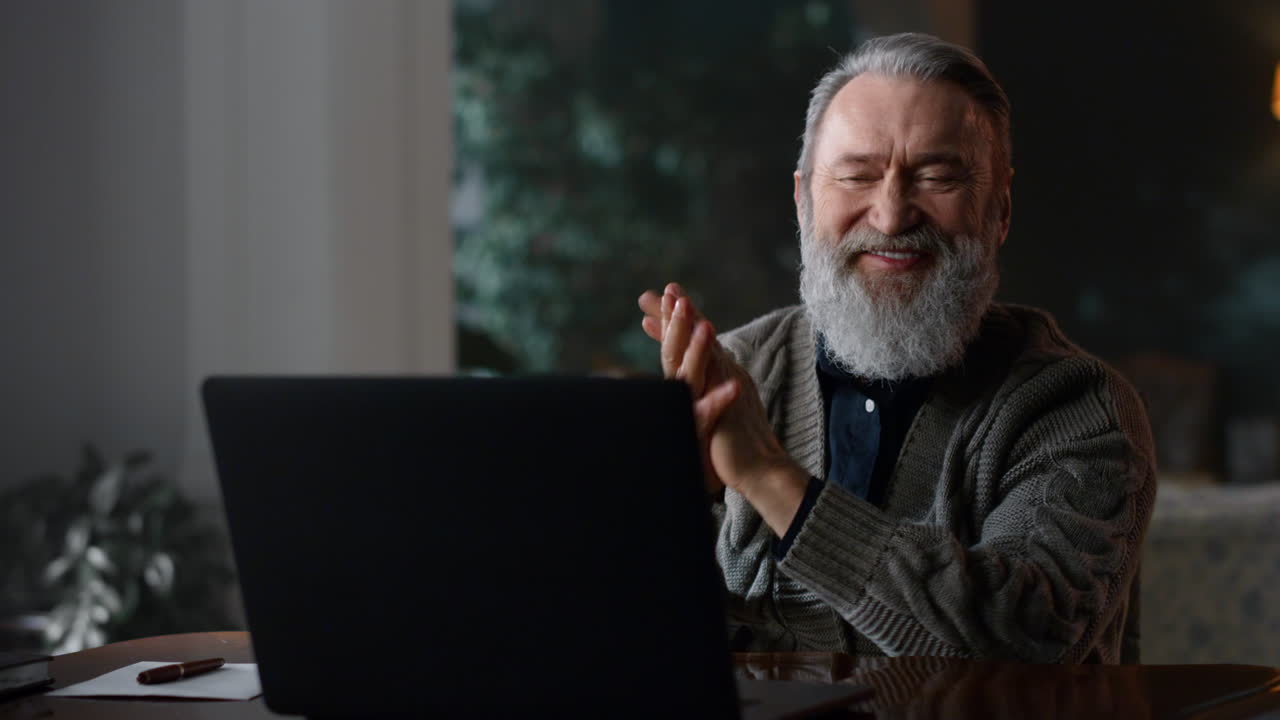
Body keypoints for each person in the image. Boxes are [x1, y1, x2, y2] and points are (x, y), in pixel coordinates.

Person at [636, 33, 1155, 664]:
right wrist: (668, 512)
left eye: (937, 177)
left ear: (1000, 209)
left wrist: (767, 475)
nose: (890, 216)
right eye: (857, 175)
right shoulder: (732, 373)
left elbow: (1027, 645)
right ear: (803, 201)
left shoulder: (1078, 408)